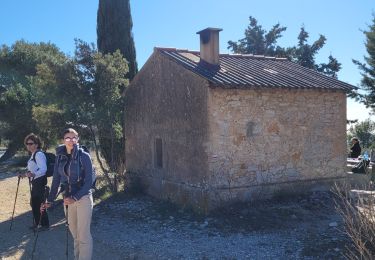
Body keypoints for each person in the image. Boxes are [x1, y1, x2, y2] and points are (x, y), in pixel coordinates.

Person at [42, 128, 93, 260]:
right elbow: (56, 180)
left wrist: (75, 197)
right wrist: (50, 200)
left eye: (73, 137)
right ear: (63, 140)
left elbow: (89, 182)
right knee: (75, 234)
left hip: (83, 198)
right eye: (67, 138)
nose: (71, 140)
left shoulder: (84, 156)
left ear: (78, 139)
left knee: (83, 235)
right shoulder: (60, 156)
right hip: (67, 200)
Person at [19, 133, 49, 230]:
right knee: (35, 203)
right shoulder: (33, 154)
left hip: (40, 183)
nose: (29, 145)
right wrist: (24, 175)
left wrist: (33, 174)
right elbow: (32, 170)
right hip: (36, 183)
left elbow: (43, 169)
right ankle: (38, 223)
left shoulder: (39, 154)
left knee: (38, 204)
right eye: (27, 144)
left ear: (36, 144)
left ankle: (44, 225)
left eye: (31, 143)